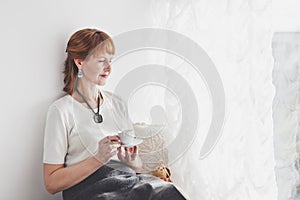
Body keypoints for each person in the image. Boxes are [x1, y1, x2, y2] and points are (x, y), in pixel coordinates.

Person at [43, 28, 186, 200]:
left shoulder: (117, 104)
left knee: (169, 192)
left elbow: (137, 167)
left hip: (128, 182)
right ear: (80, 62)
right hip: (90, 189)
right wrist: (99, 158)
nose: (109, 68)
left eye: (110, 61)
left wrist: (131, 161)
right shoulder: (61, 111)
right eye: (102, 61)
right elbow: (51, 183)